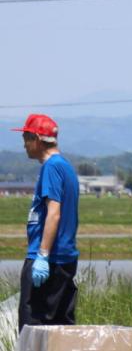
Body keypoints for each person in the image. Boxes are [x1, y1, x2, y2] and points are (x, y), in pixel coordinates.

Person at [12, 114, 79, 332]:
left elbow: (54, 213)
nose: (24, 145)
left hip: (48, 259)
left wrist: (42, 255)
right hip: (64, 259)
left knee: (34, 329)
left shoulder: (51, 167)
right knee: (60, 329)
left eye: (26, 138)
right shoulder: (66, 167)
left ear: (37, 140)